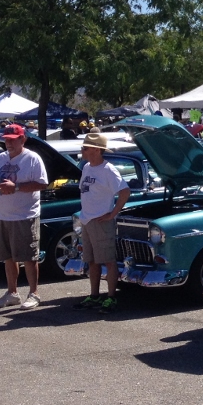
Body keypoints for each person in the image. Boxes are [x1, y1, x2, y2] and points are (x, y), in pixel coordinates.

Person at [0, 123, 50, 310]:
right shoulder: (0, 158)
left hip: (25, 215)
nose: (9, 143)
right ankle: (12, 293)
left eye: (13, 140)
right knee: (8, 257)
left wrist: (15, 187)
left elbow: (42, 184)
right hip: (3, 215)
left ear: (23, 139)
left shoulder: (32, 159)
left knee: (29, 257)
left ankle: (34, 293)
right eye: (6, 140)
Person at [75, 131, 131, 313]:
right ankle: (94, 295)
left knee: (108, 260)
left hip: (101, 220)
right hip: (87, 219)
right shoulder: (86, 167)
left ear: (97, 150)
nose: (83, 150)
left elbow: (124, 191)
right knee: (91, 261)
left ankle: (111, 297)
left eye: (86, 148)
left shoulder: (108, 170)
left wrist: (112, 214)